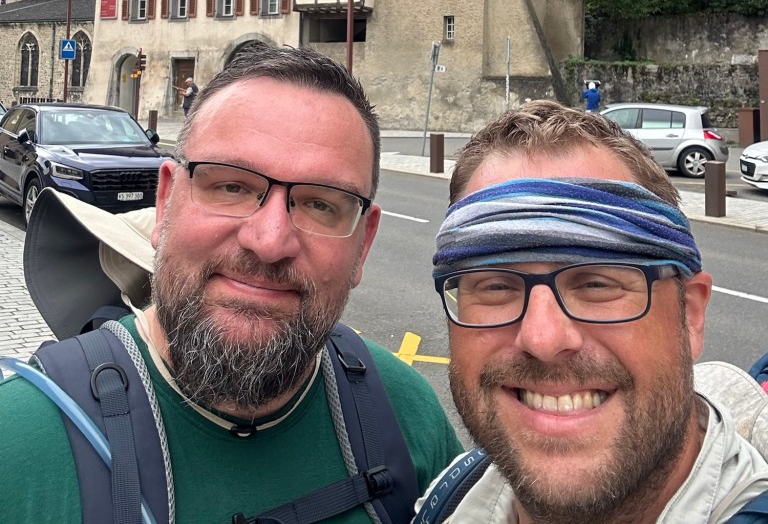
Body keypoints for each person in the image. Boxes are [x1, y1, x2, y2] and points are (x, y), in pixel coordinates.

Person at [0, 44, 462, 524]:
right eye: (231, 186)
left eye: (321, 204)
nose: (269, 241)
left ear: (363, 245)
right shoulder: (18, 444)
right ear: (165, 202)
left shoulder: (409, 417)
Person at [428, 100, 768, 524]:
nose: (543, 339)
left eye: (597, 284)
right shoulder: (447, 499)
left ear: (691, 315)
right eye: (495, 287)